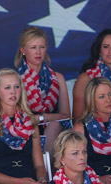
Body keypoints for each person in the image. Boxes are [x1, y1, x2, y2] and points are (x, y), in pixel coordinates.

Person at [14, 26, 70, 161]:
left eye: (42, 47)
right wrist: (42, 118)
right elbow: (15, 118)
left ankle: (45, 171)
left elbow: (66, 116)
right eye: (33, 47)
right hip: (24, 132)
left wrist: (41, 118)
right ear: (23, 50)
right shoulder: (15, 79)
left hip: (53, 132)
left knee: (55, 125)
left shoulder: (58, 78)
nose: (38, 52)